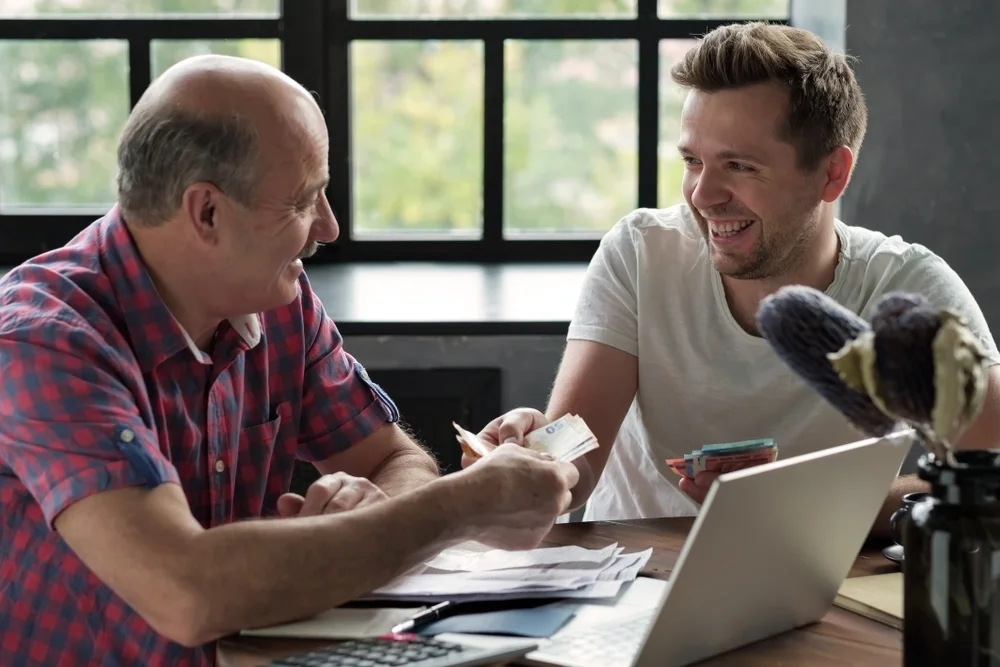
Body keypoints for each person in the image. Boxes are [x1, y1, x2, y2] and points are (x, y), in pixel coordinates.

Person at [0, 55, 580, 666]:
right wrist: (464, 507)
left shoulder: (277, 300)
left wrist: (371, 511)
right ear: (208, 213)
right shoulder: (44, 343)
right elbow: (187, 594)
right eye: (305, 200)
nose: (328, 227)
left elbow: (396, 458)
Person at [469, 22, 1000, 532]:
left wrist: (797, 504)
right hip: (637, 576)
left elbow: (993, 473)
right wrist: (535, 458)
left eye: (740, 166)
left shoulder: (908, 289)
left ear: (832, 173)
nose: (703, 195)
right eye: (693, 161)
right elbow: (576, 463)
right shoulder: (640, 253)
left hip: (819, 581)